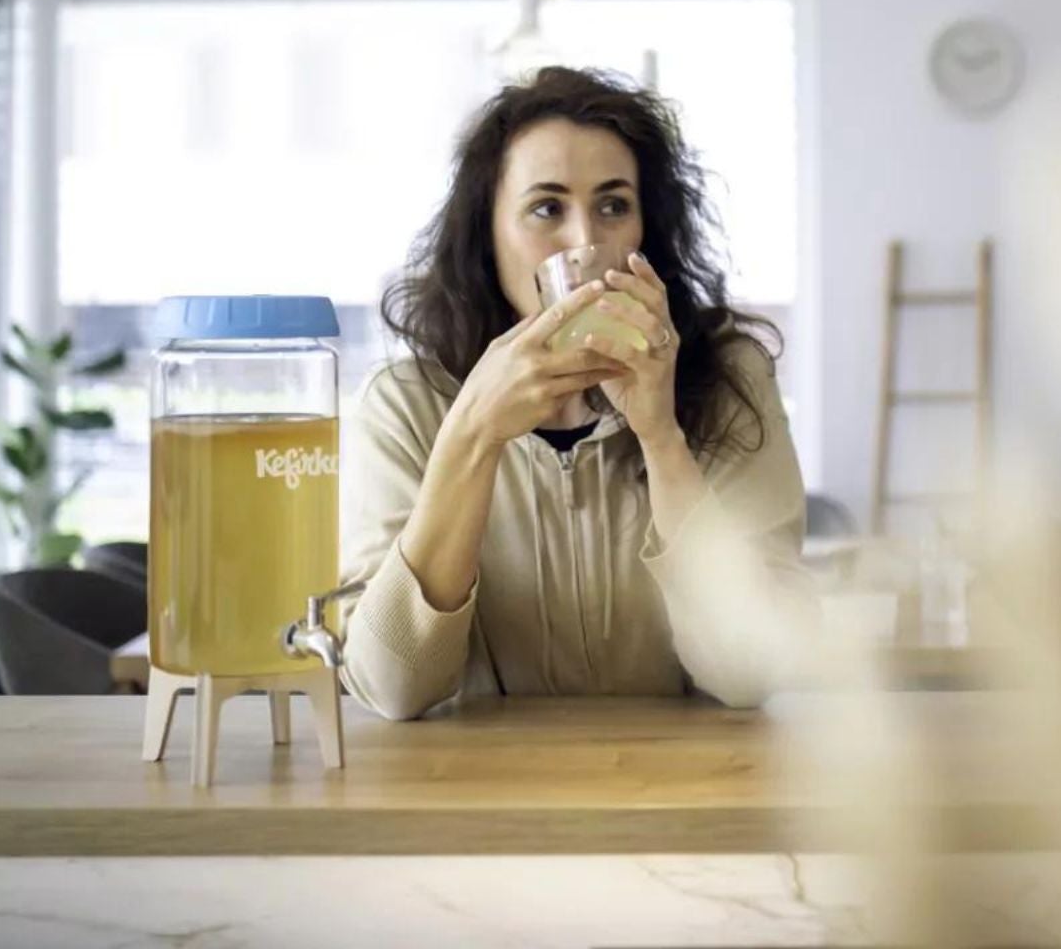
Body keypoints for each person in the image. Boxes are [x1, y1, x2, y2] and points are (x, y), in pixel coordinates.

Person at [339, 65, 812, 719]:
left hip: (685, 795)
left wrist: (661, 436)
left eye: (614, 205)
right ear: (486, 232)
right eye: (546, 208)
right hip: (471, 802)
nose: (585, 243)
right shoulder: (405, 405)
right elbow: (391, 686)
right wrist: (472, 433)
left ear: (648, 229)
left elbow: (751, 672)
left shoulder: (731, 379)